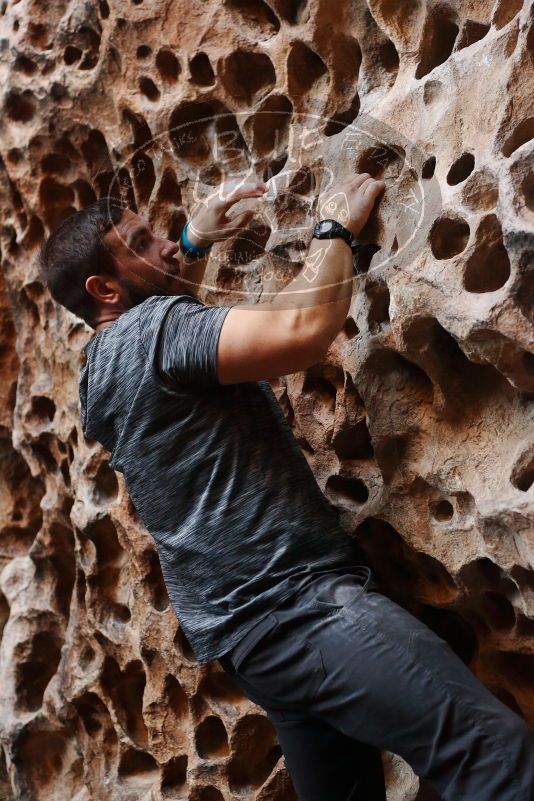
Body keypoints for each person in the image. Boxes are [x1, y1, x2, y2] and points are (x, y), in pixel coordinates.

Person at [40, 173, 534, 801]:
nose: (165, 243)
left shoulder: (102, 367)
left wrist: (193, 243)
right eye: (143, 243)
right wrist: (335, 228)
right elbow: (298, 329)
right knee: (494, 756)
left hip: (252, 643)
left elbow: (170, 336)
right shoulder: (152, 333)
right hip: (300, 610)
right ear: (105, 289)